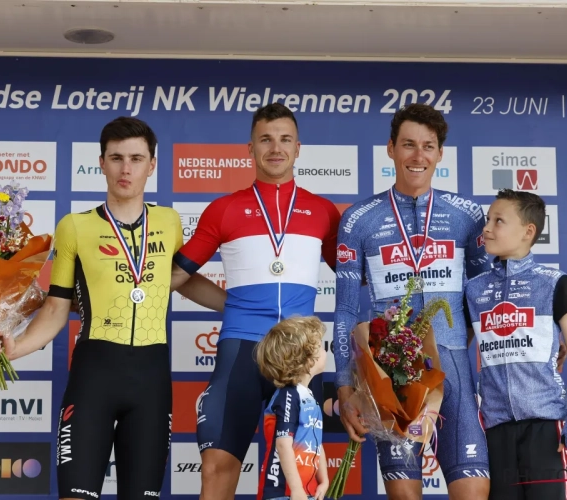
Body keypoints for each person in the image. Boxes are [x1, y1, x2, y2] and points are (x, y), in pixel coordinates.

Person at [0, 116, 227, 500]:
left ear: (152, 165)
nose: (126, 168)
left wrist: (239, 307)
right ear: (101, 163)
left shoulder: (169, 221)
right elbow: (57, 306)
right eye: (116, 158)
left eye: (136, 159)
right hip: (94, 376)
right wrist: (15, 347)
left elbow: (179, 279)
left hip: (151, 379)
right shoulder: (74, 226)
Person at [170, 103, 342, 500]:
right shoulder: (224, 209)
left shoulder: (323, 212)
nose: (275, 148)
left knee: (299, 477)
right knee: (216, 467)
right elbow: (175, 277)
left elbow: (355, 282)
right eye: (266, 139)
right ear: (250, 148)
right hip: (242, 349)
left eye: (285, 140)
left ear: (298, 148)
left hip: (302, 356)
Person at [333, 103, 492, 500]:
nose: (418, 155)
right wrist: (345, 388)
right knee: (404, 495)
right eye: (408, 145)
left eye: (428, 146)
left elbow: (486, 296)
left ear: (440, 153)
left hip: (455, 367)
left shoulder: (468, 216)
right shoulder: (359, 218)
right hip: (392, 375)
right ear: (391, 149)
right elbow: (346, 310)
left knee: (474, 493)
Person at [465, 189, 567, 500]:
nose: (487, 228)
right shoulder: (474, 289)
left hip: (545, 425)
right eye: (487, 220)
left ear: (528, 231)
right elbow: (457, 349)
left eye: (498, 221)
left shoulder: (553, 282)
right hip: (494, 427)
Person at [255, 315, 329, 500]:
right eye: (320, 346)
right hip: (282, 493)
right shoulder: (289, 395)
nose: (325, 350)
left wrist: (324, 480)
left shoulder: (307, 394)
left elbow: (316, 443)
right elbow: (283, 443)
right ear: (306, 359)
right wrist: (296, 489)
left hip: (307, 491)